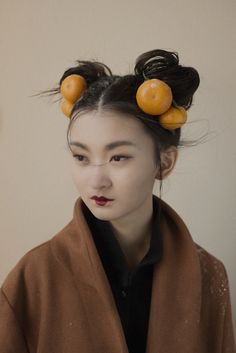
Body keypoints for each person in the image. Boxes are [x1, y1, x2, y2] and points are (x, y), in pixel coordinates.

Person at [0, 49, 235, 353]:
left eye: (118, 157)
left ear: (165, 163)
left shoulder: (208, 276)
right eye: (81, 157)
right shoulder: (32, 280)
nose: (96, 180)